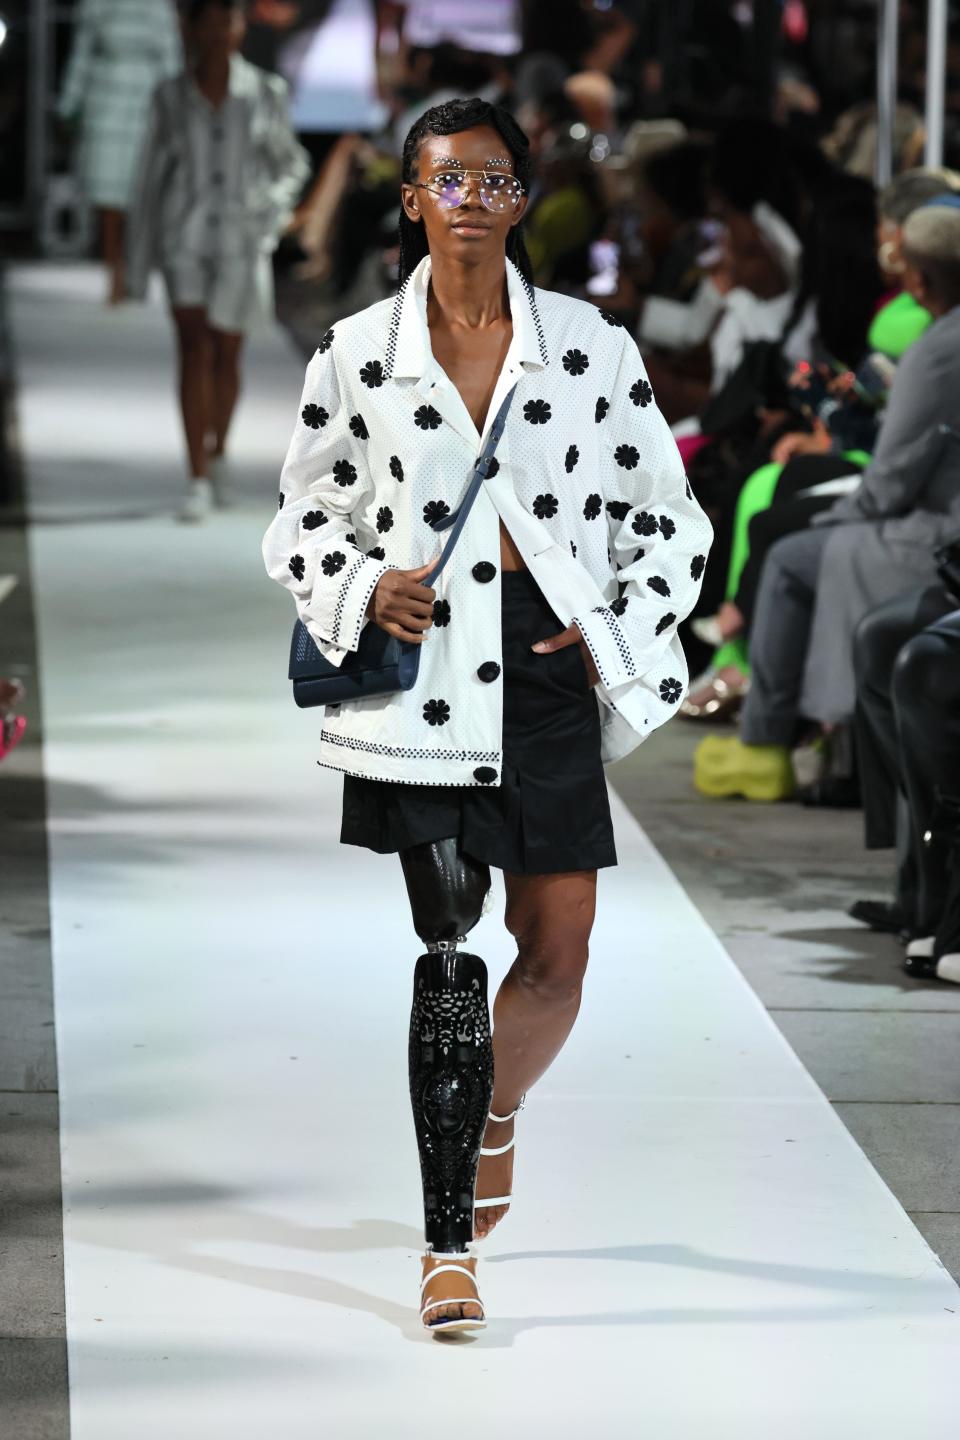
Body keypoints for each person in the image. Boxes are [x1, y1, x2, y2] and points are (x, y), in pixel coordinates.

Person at [262, 97, 712, 1333]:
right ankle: (446, 1239)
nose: (471, 201)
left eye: (495, 181)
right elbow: (302, 515)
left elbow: (669, 513)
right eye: (447, 181)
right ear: (410, 197)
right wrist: (363, 583)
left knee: (558, 960)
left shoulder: (588, 346)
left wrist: (615, 623)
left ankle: (492, 1111)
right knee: (452, 948)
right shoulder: (356, 352)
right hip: (421, 672)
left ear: (522, 199)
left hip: (546, 663)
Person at [694, 200, 960, 802]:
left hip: (933, 533)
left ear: (915, 278)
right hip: (934, 517)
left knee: (790, 554)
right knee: (786, 530)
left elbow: (894, 477)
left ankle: (768, 745)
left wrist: (840, 515)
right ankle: (793, 733)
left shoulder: (938, 349)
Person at [126, 0, 310, 521]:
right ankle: (196, 476)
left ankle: (220, 451)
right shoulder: (170, 96)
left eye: (225, 20)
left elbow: (290, 163)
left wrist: (268, 212)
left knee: (226, 352)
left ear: (238, 27)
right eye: (205, 20)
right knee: (191, 349)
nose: (215, 31)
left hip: (240, 239)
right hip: (181, 237)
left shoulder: (265, 92)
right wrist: (135, 266)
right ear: (189, 27)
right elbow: (147, 179)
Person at [58, 0, 183, 305]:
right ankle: (114, 270)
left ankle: (132, 269)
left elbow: (171, 56)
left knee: (139, 191)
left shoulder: (159, 7)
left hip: (145, 101)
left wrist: (177, 106)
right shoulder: (95, 5)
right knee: (107, 194)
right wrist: (70, 102)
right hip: (104, 99)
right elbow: (83, 53)